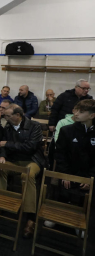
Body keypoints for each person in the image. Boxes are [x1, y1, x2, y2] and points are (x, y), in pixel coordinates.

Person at [0, 104, 46, 238]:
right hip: (14, 159)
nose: (4, 117)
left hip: (32, 160)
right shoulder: (8, 127)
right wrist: (2, 156)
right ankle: (2, 203)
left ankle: (30, 217)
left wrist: (8, 144)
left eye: (7, 115)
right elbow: (2, 146)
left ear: (18, 115)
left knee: (27, 174)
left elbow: (31, 147)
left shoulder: (34, 126)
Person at [54, 99, 95, 236]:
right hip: (68, 172)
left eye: (81, 112)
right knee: (63, 193)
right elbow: (60, 154)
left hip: (87, 175)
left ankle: (79, 221)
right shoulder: (67, 130)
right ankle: (57, 216)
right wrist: (65, 174)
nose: (76, 114)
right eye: (76, 110)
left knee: (84, 199)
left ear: (92, 115)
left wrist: (90, 178)